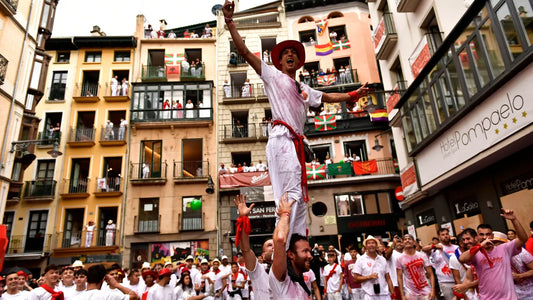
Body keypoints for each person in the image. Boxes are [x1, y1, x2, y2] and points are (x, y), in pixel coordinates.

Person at [223, 0, 370, 241]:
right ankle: (283, 246)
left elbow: (329, 95)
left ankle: (297, 246)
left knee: (300, 197)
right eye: (285, 54)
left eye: (293, 53)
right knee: (289, 196)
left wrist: (353, 94)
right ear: (279, 62)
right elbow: (245, 53)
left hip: (295, 144)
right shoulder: (273, 76)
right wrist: (230, 22)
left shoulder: (304, 88)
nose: (289, 55)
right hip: (282, 139)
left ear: (298, 62)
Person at [459, 209, 530, 300]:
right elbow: (462, 259)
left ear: (492, 236)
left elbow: (523, 239)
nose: (485, 237)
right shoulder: (475, 253)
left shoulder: (504, 248)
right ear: (477, 237)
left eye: (488, 234)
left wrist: (514, 219)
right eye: (481, 234)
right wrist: (480, 246)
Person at [233, 194, 274, 299]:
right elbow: (246, 250)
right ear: (263, 255)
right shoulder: (258, 270)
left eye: (275, 244)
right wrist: (243, 218)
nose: (274, 247)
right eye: (269, 245)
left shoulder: (287, 268)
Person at [421, 228, 458, 300]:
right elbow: (424, 249)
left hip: (458, 280)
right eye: (443, 235)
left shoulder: (456, 248)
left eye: (447, 234)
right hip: (445, 282)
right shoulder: (436, 248)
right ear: (439, 237)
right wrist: (434, 246)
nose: (445, 236)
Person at [396, 234, 435, 300]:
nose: (407, 241)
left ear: (414, 242)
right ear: (402, 243)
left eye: (409, 239)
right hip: (410, 293)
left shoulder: (422, 255)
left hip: (425, 291)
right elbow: (399, 277)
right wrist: (402, 295)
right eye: (405, 239)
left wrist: (433, 290)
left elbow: (430, 274)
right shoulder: (399, 258)